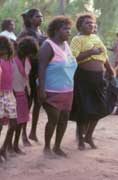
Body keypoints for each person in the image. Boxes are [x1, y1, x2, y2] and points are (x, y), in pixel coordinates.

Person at [70, 13, 114, 150]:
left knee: (99, 107)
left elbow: (104, 56)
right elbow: (73, 58)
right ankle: (80, 139)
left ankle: (89, 135)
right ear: (80, 25)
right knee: (83, 109)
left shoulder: (96, 37)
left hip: (98, 77)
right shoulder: (77, 39)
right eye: (87, 23)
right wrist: (90, 52)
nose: (91, 25)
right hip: (83, 77)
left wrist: (110, 69)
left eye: (92, 23)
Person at [38, 16, 77, 156]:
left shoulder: (66, 45)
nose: (69, 32)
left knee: (64, 119)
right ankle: (47, 147)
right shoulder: (47, 46)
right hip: (51, 91)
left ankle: (57, 146)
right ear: (56, 30)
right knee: (53, 119)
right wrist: (41, 90)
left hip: (67, 90)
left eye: (69, 29)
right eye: (65, 29)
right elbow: (41, 69)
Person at [18, 8, 46, 144]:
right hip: (28, 71)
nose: (40, 18)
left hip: (39, 71)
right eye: (37, 16)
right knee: (27, 104)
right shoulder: (25, 32)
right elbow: (18, 50)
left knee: (38, 102)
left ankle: (33, 132)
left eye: (41, 16)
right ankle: (23, 134)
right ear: (30, 19)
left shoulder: (41, 33)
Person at [9, 37, 39, 154]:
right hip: (13, 94)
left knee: (21, 122)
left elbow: (26, 77)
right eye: (29, 52)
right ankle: (8, 146)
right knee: (13, 124)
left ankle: (15, 145)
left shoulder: (26, 60)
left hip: (24, 93)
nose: (30, 55)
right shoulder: (12, 60)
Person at [0, 36, 17, 161]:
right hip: (0, 94)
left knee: (14, 123)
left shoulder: (10, 60)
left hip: (9, 94)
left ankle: (4, 148)